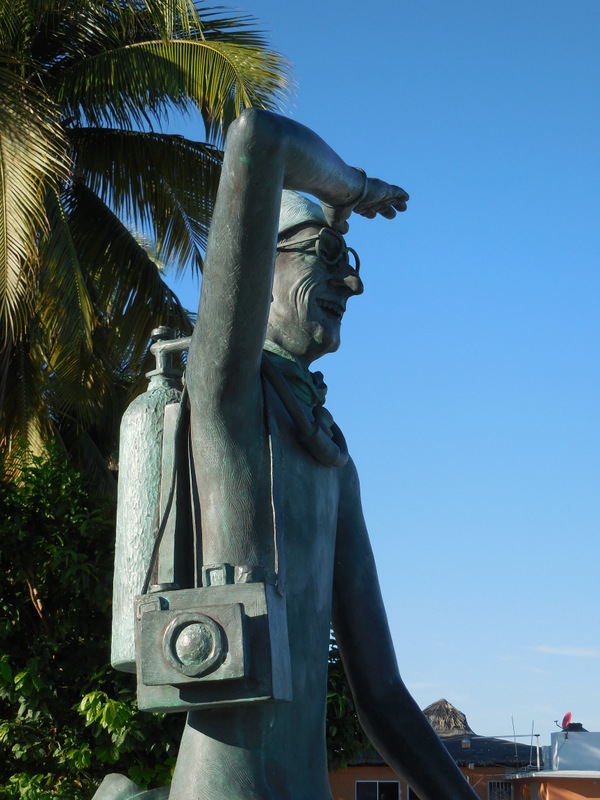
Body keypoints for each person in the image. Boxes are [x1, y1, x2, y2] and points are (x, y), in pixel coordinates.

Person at [171, 108, 477, 800]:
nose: (353, 283)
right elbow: (258, 139)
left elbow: (384, 697)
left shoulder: (333, 457)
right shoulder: (229, 401)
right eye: (326, 255)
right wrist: (355, 192)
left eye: (350, 261)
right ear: (260, 265)